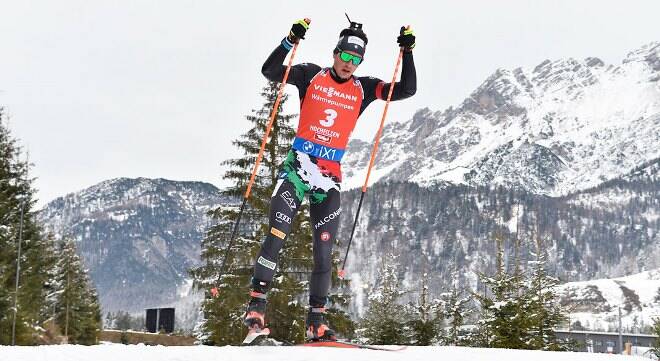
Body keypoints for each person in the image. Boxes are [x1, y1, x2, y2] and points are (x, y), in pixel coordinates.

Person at [244, 18, 417, 341]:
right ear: (336, 53)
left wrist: (407, 52)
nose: (350, 64)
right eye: (346, 56)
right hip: (297, 170)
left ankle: (316, 322)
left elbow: (406, 90)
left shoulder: (363, 88)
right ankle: (256, 308)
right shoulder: (311, 75)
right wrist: (288, 41)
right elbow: (270, 72)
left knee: (324, 252)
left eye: (357, 59)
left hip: (328, 180)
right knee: (277, 234)